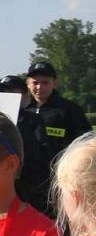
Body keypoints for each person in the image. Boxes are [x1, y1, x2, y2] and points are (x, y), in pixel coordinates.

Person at [22, 60, 92, 217]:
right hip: (27, 181)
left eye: (45, 82)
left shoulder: (69, 110)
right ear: (27, 83)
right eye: (35, 82)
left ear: (55, 83)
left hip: (58, 180)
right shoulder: (21, 111)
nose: (39, 87)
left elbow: (84, 144)